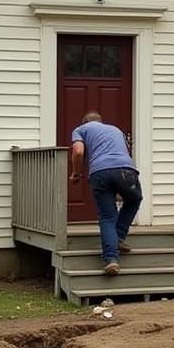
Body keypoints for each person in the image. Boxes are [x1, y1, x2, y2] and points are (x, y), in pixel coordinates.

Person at [69, 111, 142, 276]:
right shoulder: (116, 130)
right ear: (101, 122)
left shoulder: (80, 129)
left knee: (107, 216)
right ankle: (119, 237)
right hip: (126, 170)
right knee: (134, 199)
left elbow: (78, 151)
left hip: (100, 172)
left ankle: (111, 259)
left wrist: (76, 173)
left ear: (84, 122)